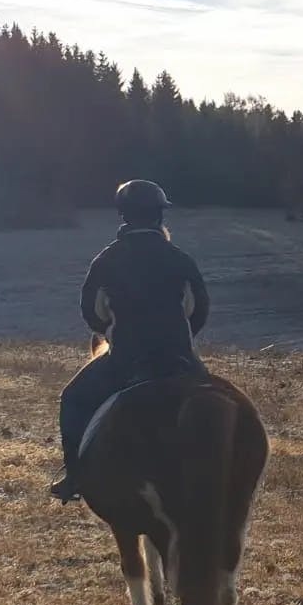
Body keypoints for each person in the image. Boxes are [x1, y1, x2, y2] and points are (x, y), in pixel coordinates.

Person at [50, 180, 210, 502]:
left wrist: (110, 332)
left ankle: (75, 476)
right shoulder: (180, 259)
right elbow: (200, 310)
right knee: (212, 404)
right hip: (178, 357)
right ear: (159, 217)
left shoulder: (106, 261)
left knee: (73, 400)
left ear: (124, 216)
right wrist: (181, 340)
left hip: (125, 360)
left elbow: (91, 313)